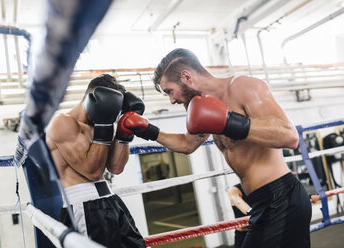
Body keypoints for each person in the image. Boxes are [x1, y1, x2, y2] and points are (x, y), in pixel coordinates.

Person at [116, 48, 312, 247]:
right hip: (262, 200)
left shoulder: (243, 87)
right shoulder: (203, 107)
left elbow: (289, 135)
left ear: (186, 77)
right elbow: (187, 144)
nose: (172, 100)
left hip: (281, 197)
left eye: (170, 91)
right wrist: (149, 131)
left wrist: (229, 122)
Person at [46, 74, 146, 248]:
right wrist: (105, 125)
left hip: (110, 199)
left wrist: (124, 134)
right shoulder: (63, 123)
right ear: (93, 98)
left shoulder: (103, 123)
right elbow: (92, 172)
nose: (113, 117)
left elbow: (116, 167)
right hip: (84, 207)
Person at [227, 184, 252, 248]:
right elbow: (239, 202)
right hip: (244, 233)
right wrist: (252, 212)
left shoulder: (261, 189)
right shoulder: (234, 190)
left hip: (261, 231)